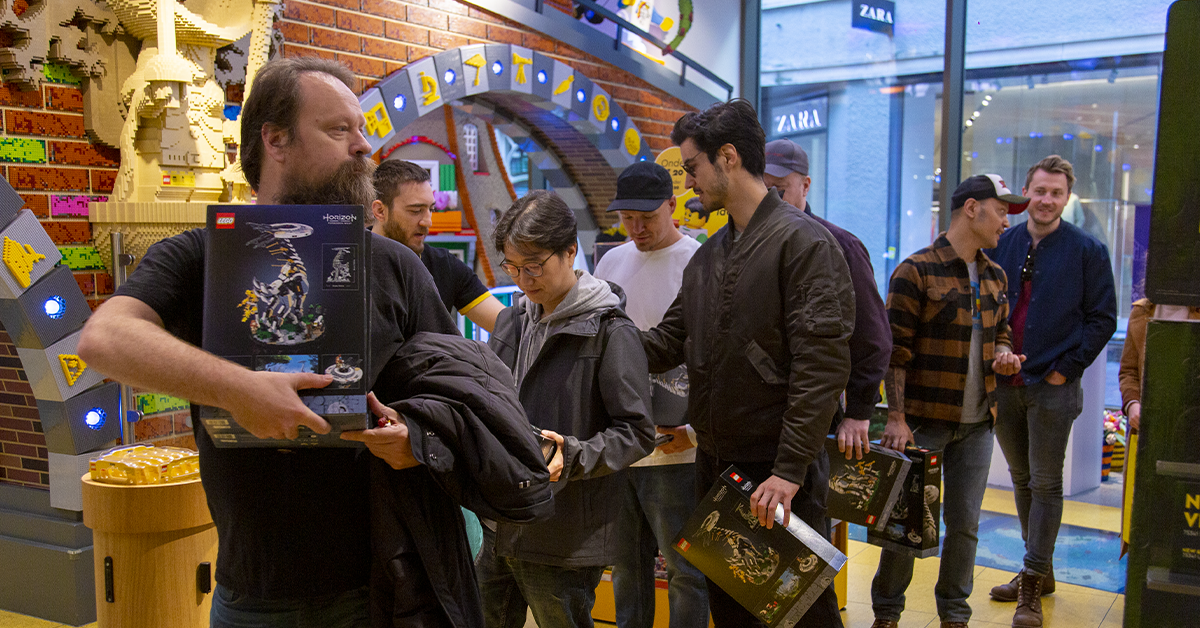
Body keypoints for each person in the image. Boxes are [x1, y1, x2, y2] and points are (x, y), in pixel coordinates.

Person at [76, 58, 472, 628]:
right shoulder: (200, 255)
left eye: (362, 130)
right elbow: (104, 337)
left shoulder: (395, 265)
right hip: (255, 595)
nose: (364, 146)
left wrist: (420, 439)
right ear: (276, 139)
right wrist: (241, 389)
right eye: (340, 130)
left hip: (387, 585)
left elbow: (457, 391)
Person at [640, 99, 855, 628]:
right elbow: (668, 340)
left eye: (692, 167)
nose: (689, 183)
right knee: (731, 607)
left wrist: (788, 471)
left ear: (728, 157)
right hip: (717, 461)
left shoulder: (804, 243)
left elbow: (821, 368)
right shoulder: (709, 255)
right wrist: (591, 320)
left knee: (802, 612)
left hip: (777, 470)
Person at [478, 190, 655, 628]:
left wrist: (573, 454)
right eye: (513, 267)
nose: (523, 279)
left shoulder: (611, 332)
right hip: (499, 519)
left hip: (563, 529)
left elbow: (636, 432)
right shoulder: (512, 320)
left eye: (534, 265)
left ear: (570, 251)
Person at [870, 174, 1027, 628]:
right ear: (972, 209)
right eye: (1001, 210)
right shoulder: (915, 271)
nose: (1005, 221)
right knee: (904, 524)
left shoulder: (996, 275)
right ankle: (887, 613)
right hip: (923, 422)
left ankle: (954, 615)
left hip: (979, 425)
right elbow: (893, 352)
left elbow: (1001, 332)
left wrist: (1003, 354)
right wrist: (895, 417)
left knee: (965, 526)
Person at [985, 156, 1117, 628]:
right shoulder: (1004, 242)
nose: (1046, 200)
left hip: (1053, 386)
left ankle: (1031, 583)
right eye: (1039, 191)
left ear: (1067, 198)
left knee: (1045, 483)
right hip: (1005, 386)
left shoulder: (1088, 250)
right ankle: (1038, 570)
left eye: (1056, 193)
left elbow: (1103, 318)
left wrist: (1067, 368)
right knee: (1022, 480)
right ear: (1027, 192)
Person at [593, 162, 709, 628]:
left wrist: (697, 431)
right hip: (620, 443)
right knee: (626, 567)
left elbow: (716, 359)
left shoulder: (699, 262)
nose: (637, 229)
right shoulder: (611, 262)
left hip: (677, 447)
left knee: (685, 569)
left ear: (672, 206)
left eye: (647, 217)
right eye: (627, 218)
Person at [762, 138, 892, 460]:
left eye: (780, 190)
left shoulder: (839, 246)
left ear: (805, 186)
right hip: (765, 416)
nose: (771, 201)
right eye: (763, 191)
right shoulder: (753, 246)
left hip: (819, 415)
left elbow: (872, 335)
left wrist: (860, 411)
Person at [371, 159, 504, 332]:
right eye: (415, 210)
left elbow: (506, 326)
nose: (428, 221)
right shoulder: (351, 262)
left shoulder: (444, 266)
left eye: (431, 209)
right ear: (380, 211)